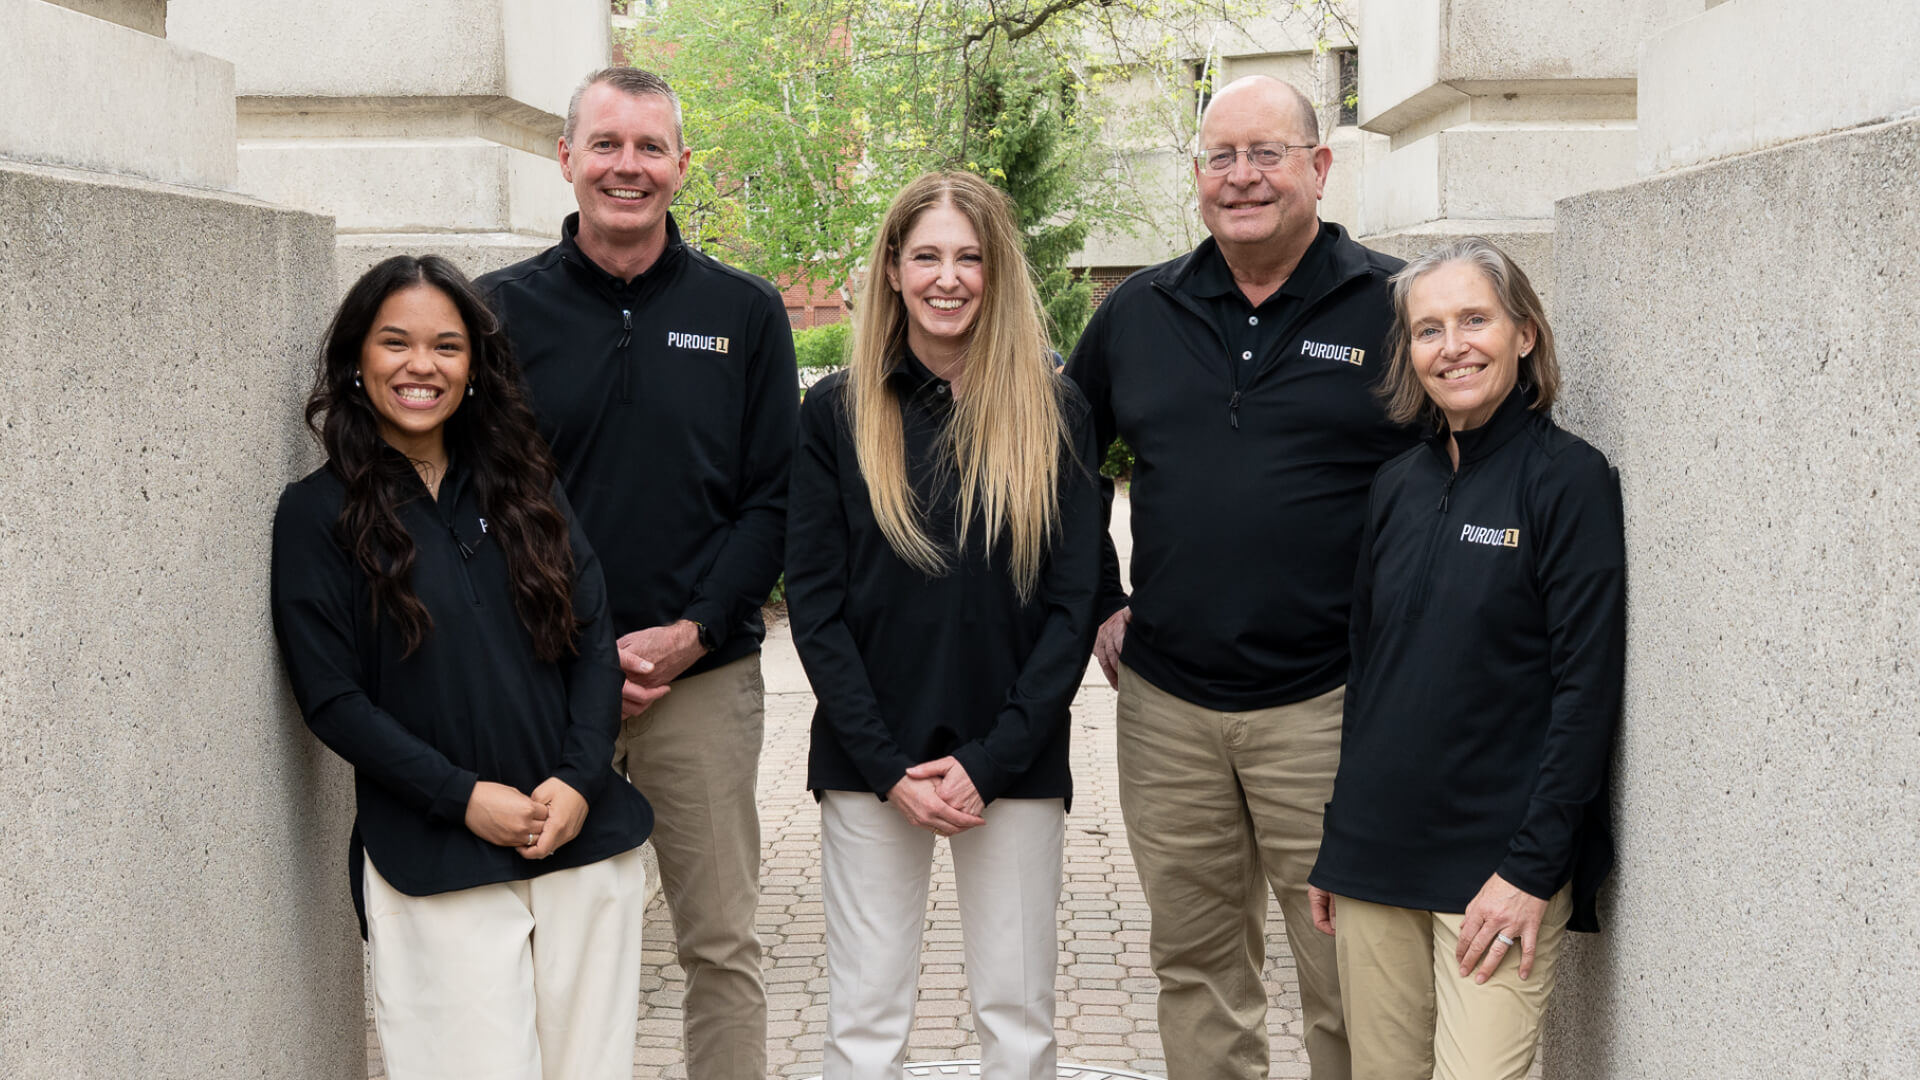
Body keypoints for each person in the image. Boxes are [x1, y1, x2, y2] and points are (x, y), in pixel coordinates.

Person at [1064, 75, 1418, 1080]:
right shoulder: (1140, 309)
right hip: (1168, 709)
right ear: (1196, 177)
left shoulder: (1396, 305)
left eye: (1268, 153)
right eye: (1222, 156)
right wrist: (1099, 599)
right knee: (1197, 972)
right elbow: (1063, 460)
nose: (1244, 176)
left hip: (1333, 706)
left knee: (1351, 974)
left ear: (1320, 166)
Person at [477, 67, 796, 1080]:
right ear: (563, 158)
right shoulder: (495, 315)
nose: (629, 166)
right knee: (544, 939)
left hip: (698, 681)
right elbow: (476, 506)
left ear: (681, 166)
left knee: (719, 943)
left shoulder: (743, 313)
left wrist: (694, 631)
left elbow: (775, 503)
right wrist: (566, 648)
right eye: (606, 144)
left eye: (650, 146)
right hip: (540, 682)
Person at [271, 255, 653, 1080]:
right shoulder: (316, 514)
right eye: (395, 342)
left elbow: (593, 641)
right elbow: (332, 700)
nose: (422, 366)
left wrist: (582, 779)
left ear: (475, 365)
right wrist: (463, 797)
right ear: (356, 360)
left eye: (447, 346)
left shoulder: (526, 487)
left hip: (580, 843)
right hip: (435, 859)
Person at [786, 171, 1102, 1080]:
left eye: (970, 257)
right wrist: (887, 768)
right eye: (926, 255)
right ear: (892, 268)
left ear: (999, 272)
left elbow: (1072, 606)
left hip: (1014, 758)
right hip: (868, 761)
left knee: (1017, 1019)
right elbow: (815, 607)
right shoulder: (837, 414)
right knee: (866, 1021)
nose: (948, 277)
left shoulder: (1056, 412)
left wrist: (993, 758)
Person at [1306, 237, 1624, 1080]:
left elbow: (1586, 690)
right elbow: (1367, 673)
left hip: (1496, 870)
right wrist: (1339, 839)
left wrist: (1530, 868)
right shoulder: (1396, 486)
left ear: (1524, 333)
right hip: (1374, 859)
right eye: (1428, 329)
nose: (1453, 347)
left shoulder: (1570, 482)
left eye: (1474, 320)